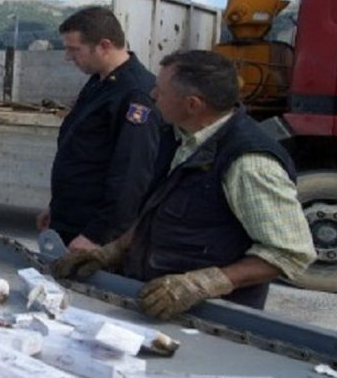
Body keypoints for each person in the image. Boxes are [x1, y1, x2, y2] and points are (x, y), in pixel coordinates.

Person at [52, 50, 317, 318]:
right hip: (156, 302)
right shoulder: (179, 137)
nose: (152, 95)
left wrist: (200, 285)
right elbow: (159, 210)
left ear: (193, 104)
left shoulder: (249, 163)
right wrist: (112, 251)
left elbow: (289, 253)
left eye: (161, 91)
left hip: (211, 319)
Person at [38, 6, 161, 253]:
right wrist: (57, 207)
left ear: (104, 46)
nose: (68, 57)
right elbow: (82, 154)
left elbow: (131, 174)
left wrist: (96, 235)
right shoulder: (99, 82)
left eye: (74, 49)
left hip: (93, 231)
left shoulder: (135, 94)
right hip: (71, 218)